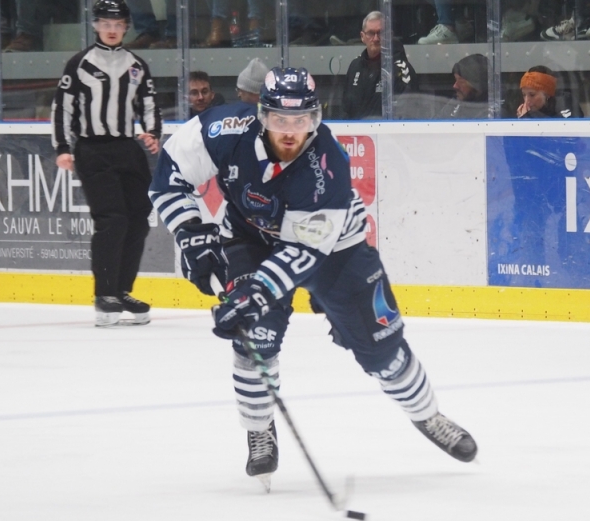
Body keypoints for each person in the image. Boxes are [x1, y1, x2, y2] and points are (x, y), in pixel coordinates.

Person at [149, 66, 478, 486]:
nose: (290, 132)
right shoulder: (221, 130)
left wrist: (258, 290)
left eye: (300, 121)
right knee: (254, 343)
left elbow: (306, 250)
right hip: (250, 236)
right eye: (280, 121)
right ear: (261, 116)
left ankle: (428, 415)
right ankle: (259, 431)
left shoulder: (328, 168)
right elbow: (169, 175)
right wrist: (193, 234)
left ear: (315, 119)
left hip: (337, 249)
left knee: (384, 351)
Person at [51, 0, 162, 327]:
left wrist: (153, 132)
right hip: (93, 149)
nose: (111, 29)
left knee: (139, 219)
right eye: (105, 23)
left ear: (127, 26)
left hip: (128, 149)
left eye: (117, 24)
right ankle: (105, 294)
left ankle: (121, 290)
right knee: (112, 219)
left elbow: (150, 103)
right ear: (96, 25)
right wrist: (62, 147)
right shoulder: (80, 63)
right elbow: (63, 109)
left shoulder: (136, 65)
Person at [342, 11, 418, 120]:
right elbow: (345, 109)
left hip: (388, 136)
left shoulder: (401, 68)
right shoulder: (355, 66)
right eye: (371, 33)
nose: (376, 38)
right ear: (362, 37)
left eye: (380, 33)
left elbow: (409, 112)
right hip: (357, 135)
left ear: (389, 36)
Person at [446, 53, 489, 119]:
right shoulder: (454, 102)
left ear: (476, 85)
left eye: (461, 81)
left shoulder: (492, 113)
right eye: (456, 80)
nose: (455, 86)